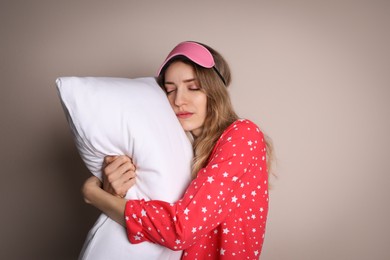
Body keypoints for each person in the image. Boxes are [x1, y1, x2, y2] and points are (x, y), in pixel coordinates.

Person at [82, 41, 274, 259]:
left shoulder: (243, 134)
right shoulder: (183, 149)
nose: (179, 100)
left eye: (193, 87)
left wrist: (94, 195)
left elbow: (181, 229)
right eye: (170, 90)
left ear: (214, 92)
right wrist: (115, 191)